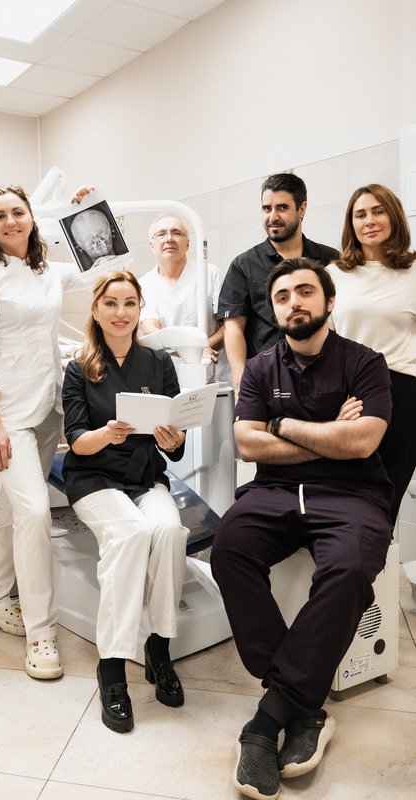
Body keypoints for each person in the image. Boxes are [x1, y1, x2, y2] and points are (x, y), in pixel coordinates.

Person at [211, 258, 392, 800]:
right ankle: (304, 705)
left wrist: (282, 424)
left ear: (329, 301)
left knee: (351, 569)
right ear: (274, 309)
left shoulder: (365, 363)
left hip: (352, 493)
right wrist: (329, 433)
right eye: (283, 295)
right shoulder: (261, 368)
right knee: (228, 548)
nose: (295, 302)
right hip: (273, 492)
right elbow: (247, 444)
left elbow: (362, 442)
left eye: (306, 291)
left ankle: (270, 716)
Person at [0, 183, 92, 680]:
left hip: (48, 409)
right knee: (35, 512)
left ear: (33, 218)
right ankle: (41, 633)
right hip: (8, 417)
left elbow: (104, 263)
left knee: (9, 509)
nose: (10, 221)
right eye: (0, 215)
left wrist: (86, 208)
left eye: (18, 212)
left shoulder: (48, 272)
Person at [61, 269, 189, 733]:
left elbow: (176, 440)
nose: (121, 312)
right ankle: (112, 668)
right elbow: (77, 441)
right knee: (131, 534)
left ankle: (159, 647)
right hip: (93, 478)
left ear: (139, 309)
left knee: (170, 531)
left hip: (143, 476)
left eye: (130, 303)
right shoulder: (80, 367)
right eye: (111, 303)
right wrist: (106, 434)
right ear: (96, 310)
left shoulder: (158, 363)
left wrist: (174, 439)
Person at [327, 183, 416, 527]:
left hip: (402, 391)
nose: (369, 221)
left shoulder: (413, 271)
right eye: (360, 214)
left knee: (384, 499)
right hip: (350, 392)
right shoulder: (334, 274)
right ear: (351, 224)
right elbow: (325, 342)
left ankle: (374, 556)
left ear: (394, 216)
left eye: (378, 211)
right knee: (343, 495)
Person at [218, 173, 338, 396]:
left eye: (282, 207)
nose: (272, 217)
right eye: (266, 209)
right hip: (267, 381)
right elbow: (233, 328)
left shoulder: (331, 260)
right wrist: (241, 384)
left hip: (326, 377)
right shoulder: (244, 265)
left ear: (302, 209)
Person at [139, 213, 229, 383]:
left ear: (188, 243)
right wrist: (189, 351)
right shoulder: (144, 284)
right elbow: (151, 329)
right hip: (168, 375)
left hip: (211, 374)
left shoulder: (210, 273)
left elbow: (227, 326)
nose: (169, 238)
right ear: (152, 246)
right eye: (161, 234)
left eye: (176, 233)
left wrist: (203, 348)